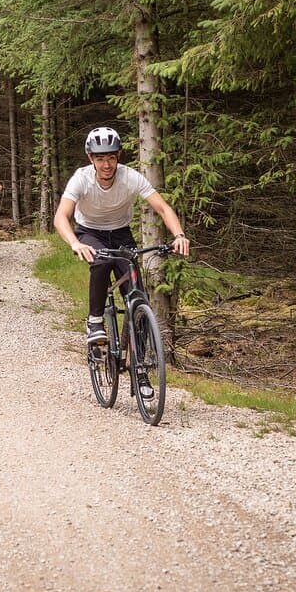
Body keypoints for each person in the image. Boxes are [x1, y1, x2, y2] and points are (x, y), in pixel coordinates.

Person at [53, 126, 190, 396]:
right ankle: (95, 321)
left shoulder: (130, 177)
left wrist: (179, 235)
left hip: (121, 233)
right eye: (100, 158)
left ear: (118, 156)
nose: (106, 164)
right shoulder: (81, 179)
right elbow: (61, 217)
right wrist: (75, 243)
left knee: (137, 298)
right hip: (89, 232)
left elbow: (162, 207)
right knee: (101, 262)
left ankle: (139, 371)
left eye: (111, 158)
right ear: (90, 158)